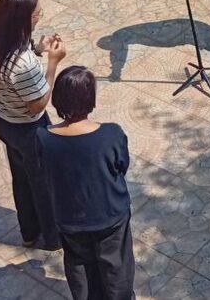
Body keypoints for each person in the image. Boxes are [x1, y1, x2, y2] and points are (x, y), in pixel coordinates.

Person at [35, 66, 135, 299]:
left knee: (79, 269)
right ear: (91, 99)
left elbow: (44, 171)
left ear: (57, 100)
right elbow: (122, 166)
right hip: (110, 216)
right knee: (116, 270)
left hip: (69, 219)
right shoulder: (111, 134)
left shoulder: (43, 138)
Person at [0, 0, 66, 251]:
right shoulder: (25, 63)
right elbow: (38, 103)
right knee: (44, 184)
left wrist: (37, 48)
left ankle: (29, 231)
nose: (40, 15)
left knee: (21, 177)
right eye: (37, 12)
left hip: (3, 120)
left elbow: (15, 60)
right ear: (25, 19)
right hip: (29, 129)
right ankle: (53, 238)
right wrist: (53, 63)